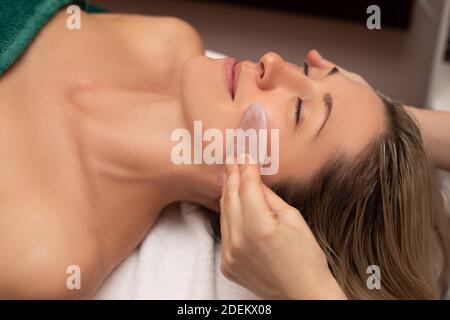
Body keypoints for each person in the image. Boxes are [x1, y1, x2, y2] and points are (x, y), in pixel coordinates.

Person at [0, 5, 448, 299]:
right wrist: (388, 121)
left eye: (297, 111)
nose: (272, 60)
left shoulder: (45, 255)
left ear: (267, 208)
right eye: (310, 71)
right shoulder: (163, 42)